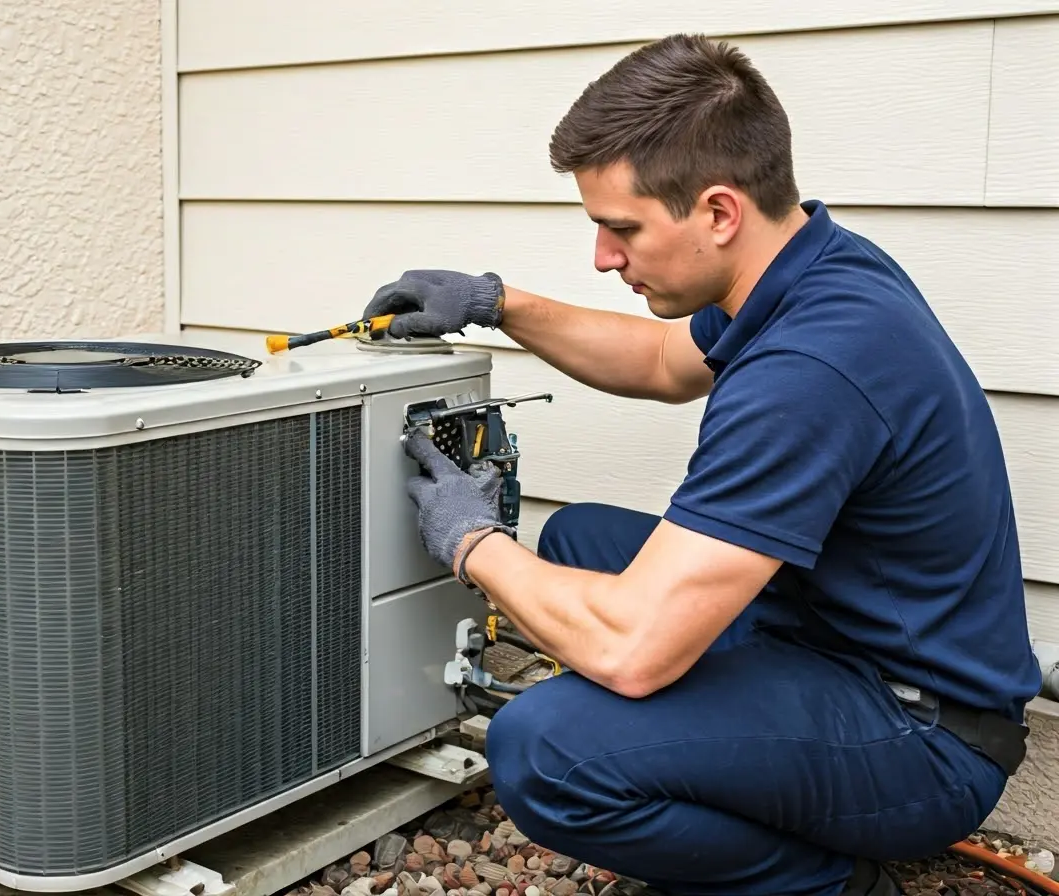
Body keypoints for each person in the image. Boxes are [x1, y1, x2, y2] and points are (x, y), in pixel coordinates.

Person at [359, 32, 1041, 896]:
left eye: (622, 229)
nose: (605, 257)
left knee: (541, 747)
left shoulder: (812, 370)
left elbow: (636, 650)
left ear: (718, 212)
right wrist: (499, 303)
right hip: (835, 638)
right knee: (580, 540)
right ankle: (712, 780)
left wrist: (471, 540)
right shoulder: (809, 268)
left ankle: (834, 887)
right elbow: (659, 362)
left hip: (922, 734)